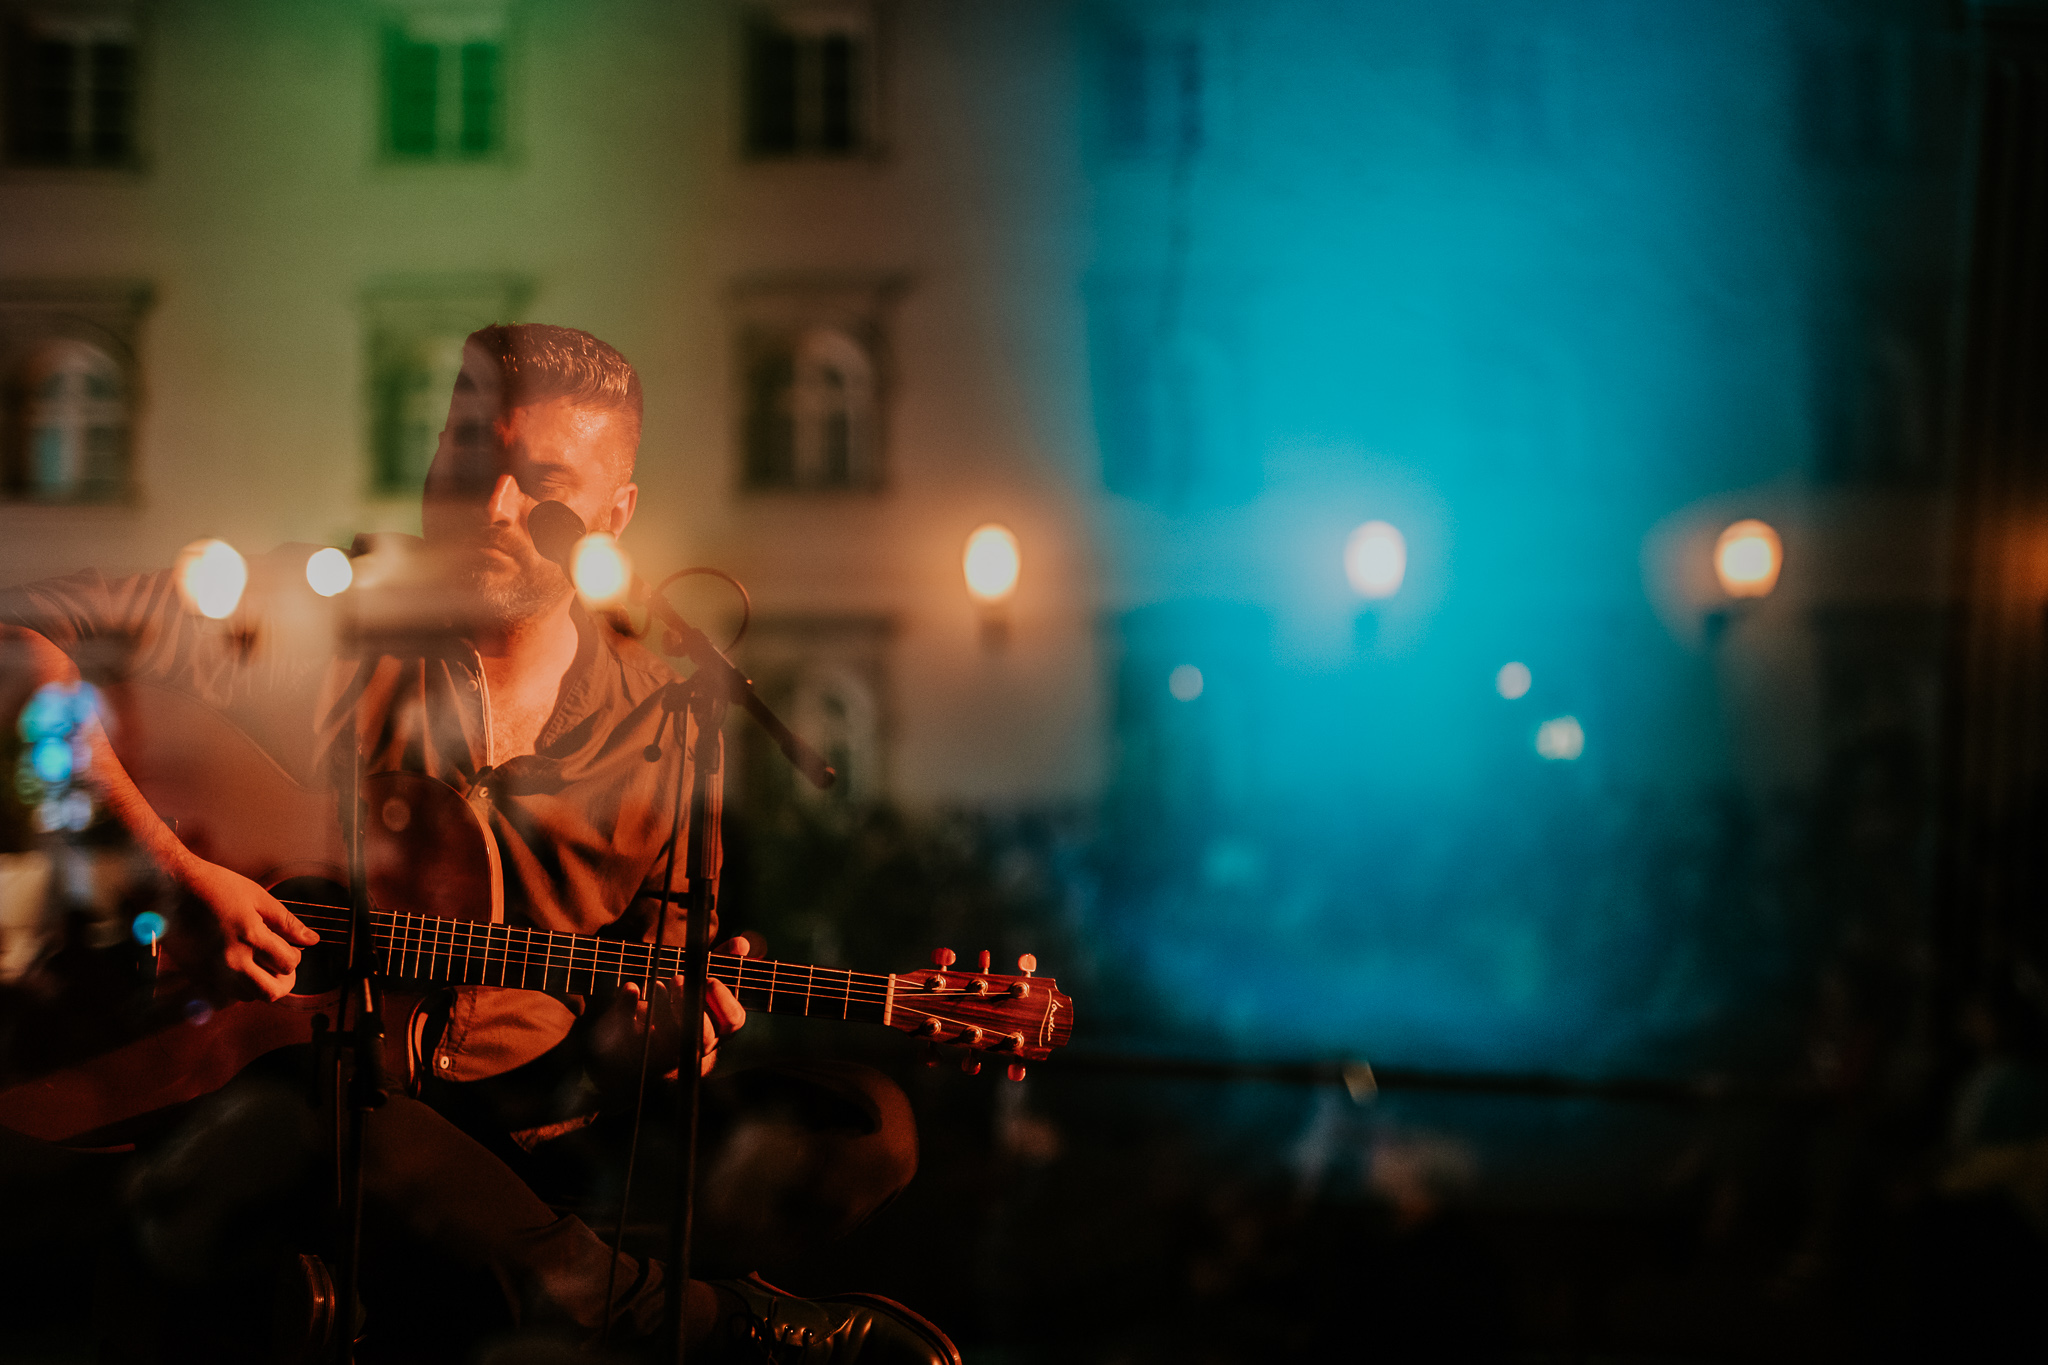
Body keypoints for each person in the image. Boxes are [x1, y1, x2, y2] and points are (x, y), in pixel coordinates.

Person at [0, 324, 954, 1364]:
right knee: (348, 1098)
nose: (490, 504)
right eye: (464, 454)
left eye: (540, 481)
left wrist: (660, 1042)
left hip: (534, 1127)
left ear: (612, 515)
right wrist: (167, 870)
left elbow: (636, 1040)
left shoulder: (665, 722)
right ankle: (708, 1328)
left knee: (870, 1122)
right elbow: (17, 641)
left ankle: (631, 1289)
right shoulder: (311, 612)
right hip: (293, 1096)